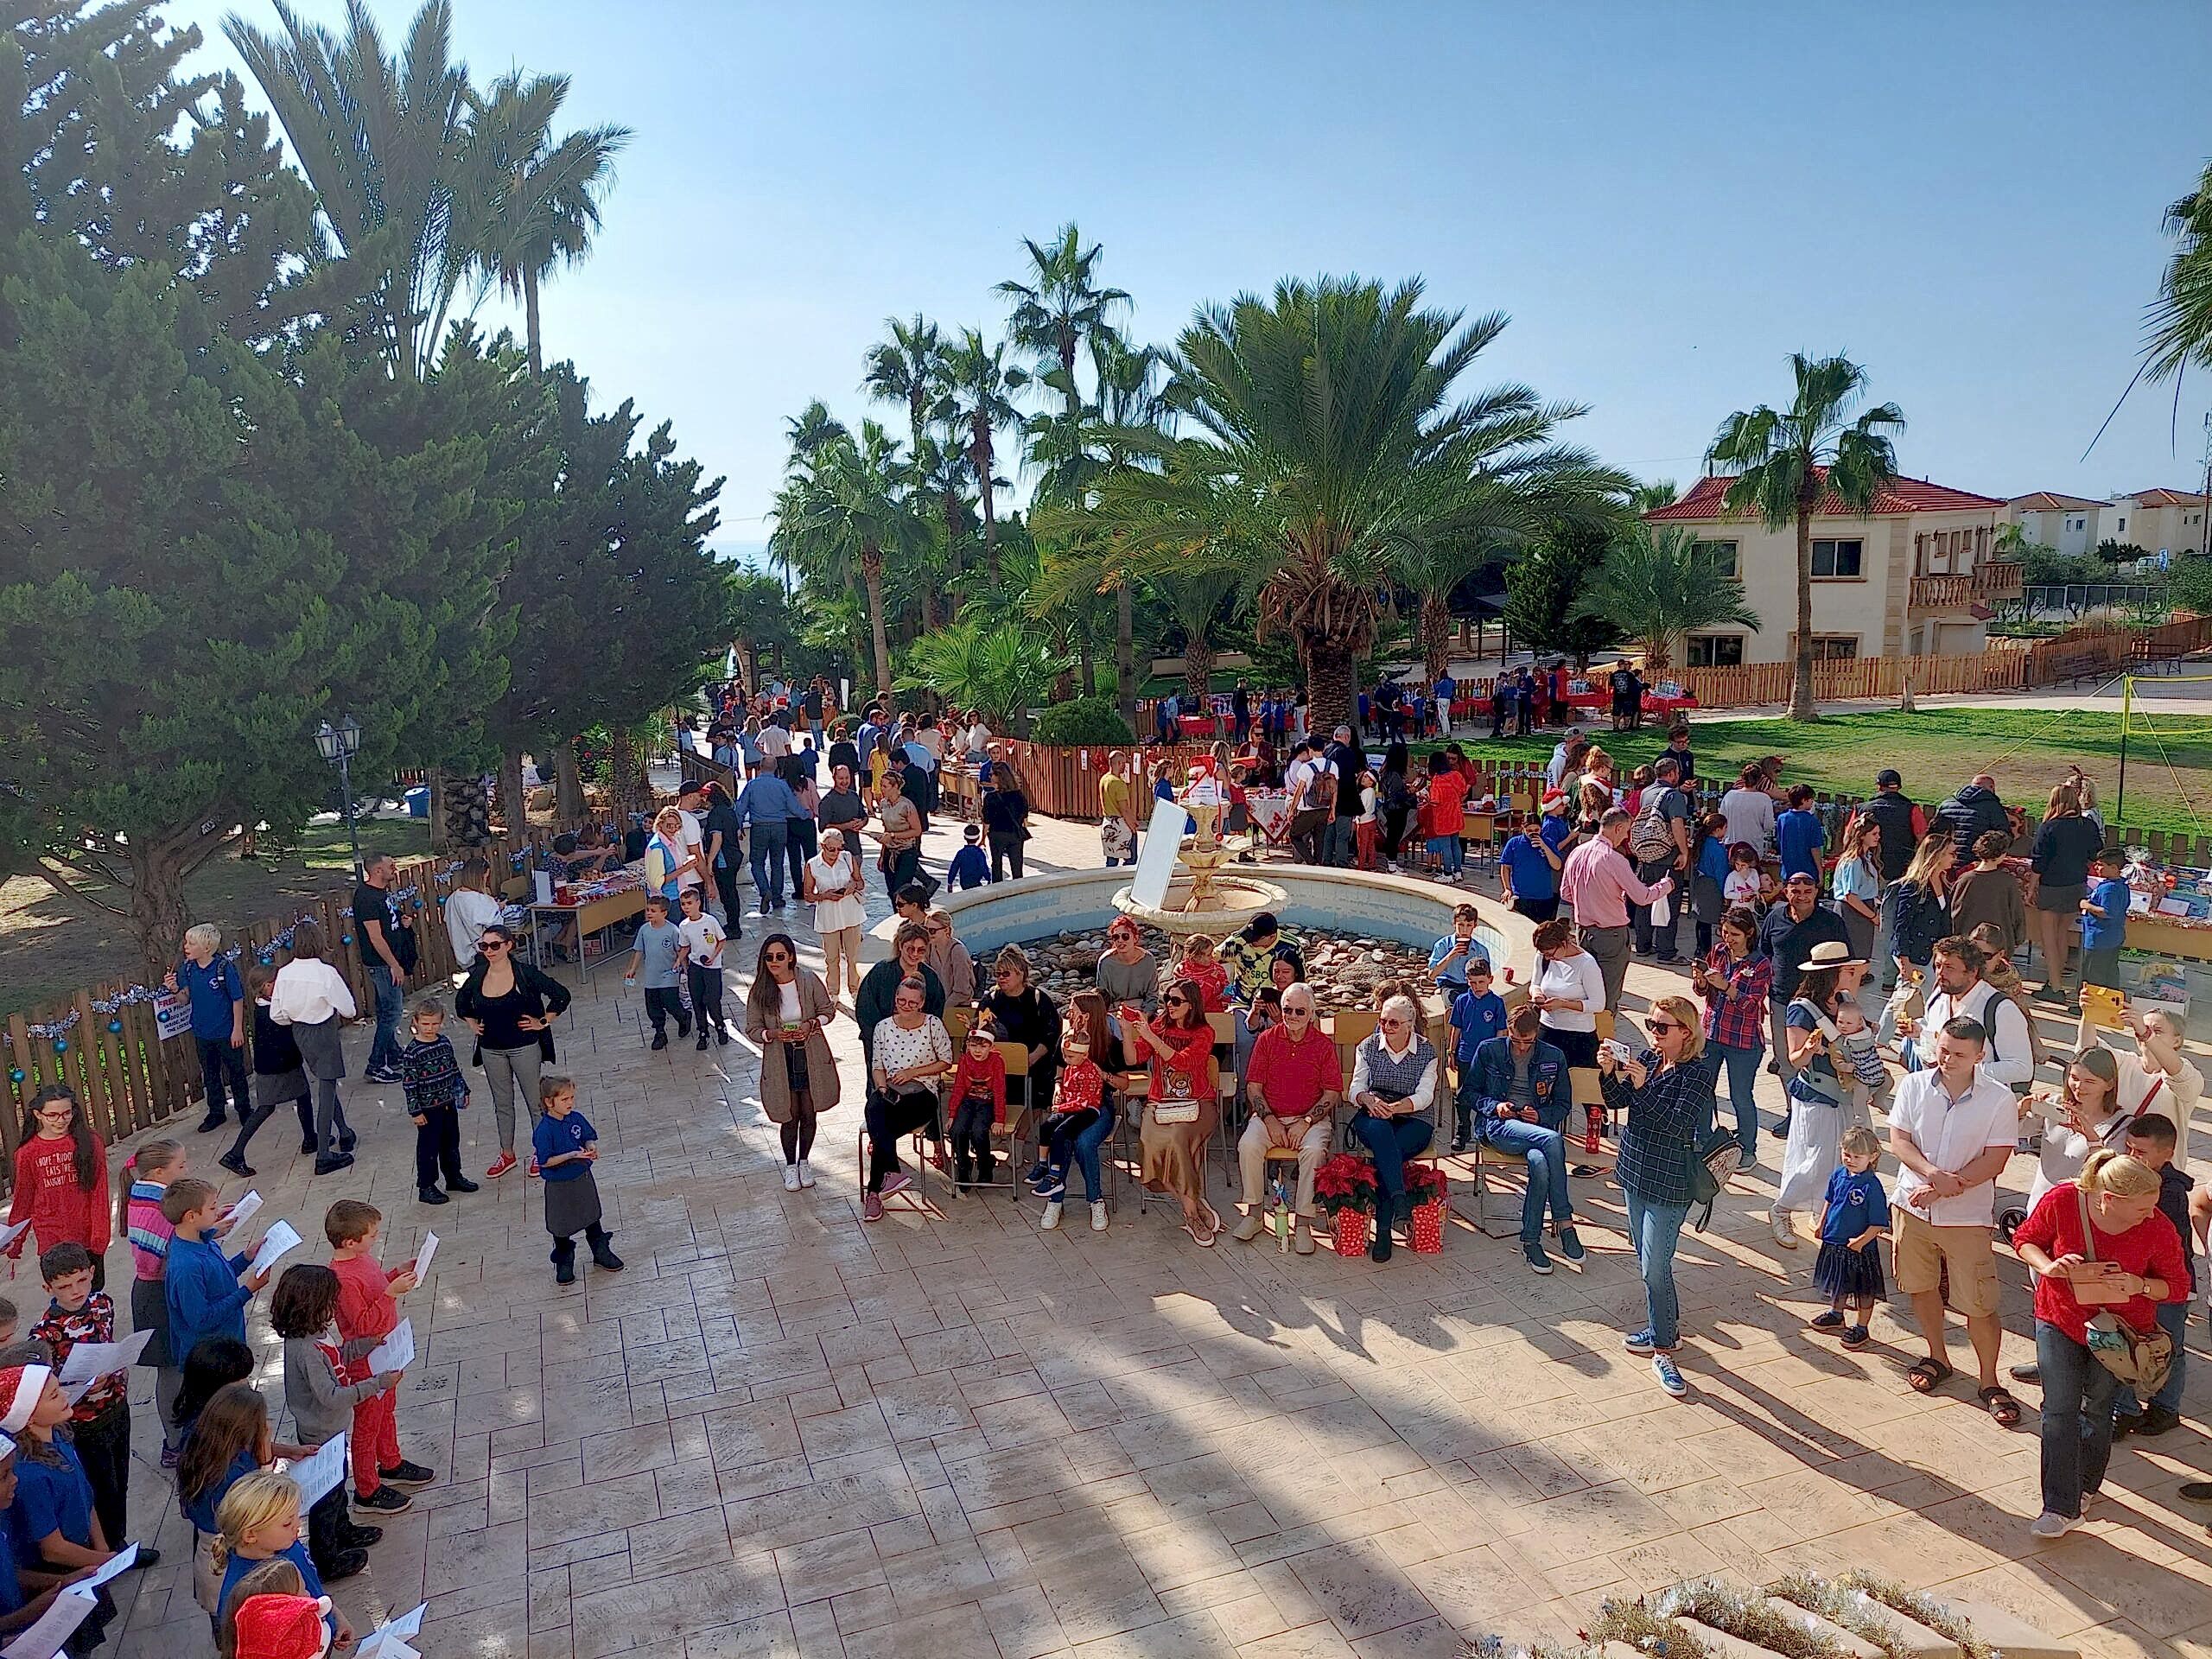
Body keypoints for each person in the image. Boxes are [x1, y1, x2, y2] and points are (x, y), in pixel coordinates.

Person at [2012, 1149, 2187, 1538]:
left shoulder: (2158, 1227)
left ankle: (2085, 1488)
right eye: (2142, 1208)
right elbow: (2026, 1239)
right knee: (2058, 1410)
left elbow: (2178, 1286)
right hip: (2058, 1319)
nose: (2151, 1214)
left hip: (2119, 1335)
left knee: (2097, 1409)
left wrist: (2139, 1285)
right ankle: (2059, 1506)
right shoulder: (2063, 1200)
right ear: (2109, 1199)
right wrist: (2047, 1266)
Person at [1890, 1017, 2022, 1423]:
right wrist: (1933, 1176)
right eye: (1944, 1050)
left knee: (1979, 1302)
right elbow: (1899, 1141)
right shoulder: (1914, 1085)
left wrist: (1944, 1188)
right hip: (1912, 1207)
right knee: (1920, 1286)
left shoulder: (1999, 1099)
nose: (1947, 1059)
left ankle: (1989, 1381)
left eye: (1959, 1054)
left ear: (1980, 1056)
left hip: (1966, 1217)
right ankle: (1937, 1357)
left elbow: (1995, 1160)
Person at [1599, 995, 1720, 1397]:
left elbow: (1675, 1123)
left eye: (1662, 1026)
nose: (1653, 1032)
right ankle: (1663, 1329)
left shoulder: (1698, 1073)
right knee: (1646, 1259)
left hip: (1669, 1181)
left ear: (1686, 1032)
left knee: (1655, 1267)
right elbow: (1617, 1102)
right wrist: (1609, 1073)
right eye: (1651, 1024)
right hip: (1635, 1171)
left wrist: (1641, 1087)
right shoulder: (1651, 1060)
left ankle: (1664, 1347)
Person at [270, 1268, 393, 1582]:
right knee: (326, 1498)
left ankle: (343, 1530)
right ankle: (326, 1558)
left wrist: (366, 1344)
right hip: (320, 1433)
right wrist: (376, 1384)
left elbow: (337, 1357)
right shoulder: (307, 1350)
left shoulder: (313, 1336)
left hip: (331, 1430)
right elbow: (331, 1396)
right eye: (330, 1303)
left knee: (337, 1487)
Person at [323, 1198, 433, 1513]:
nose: (376, 1239)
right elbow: (362, 1325)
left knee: (386, 1411)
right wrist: (391, 1294)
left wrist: (396, 1273)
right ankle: (367, 1490)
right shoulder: (343, 1279)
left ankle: (391, 1462)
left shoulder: (362, 1259)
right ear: (350, 1241)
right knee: (368, 1425)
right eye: (371, 1235)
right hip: (366, 1362)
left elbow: (374, 1286)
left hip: (386, 1351)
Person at [30, 1244, 137, 1559]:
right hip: (82, 1423)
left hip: (116, 1406)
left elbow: (107, 1341)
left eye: (81, 1281)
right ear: (48, 1288)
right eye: (64, 1286)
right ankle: (104, 1551)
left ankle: (119, 1542)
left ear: (92, 1273)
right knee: (100, 1487)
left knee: (120, 1481)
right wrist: (83, 1383)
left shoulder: (103, 1304)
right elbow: (47, 1383)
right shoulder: (44, 1334)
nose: (76, 1291)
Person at [1230, 983, 1342, 1255]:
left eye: (1299, 1011)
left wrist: (1306, 1122)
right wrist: (1270, 1120)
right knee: (1248, 1145)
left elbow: (1332, 1093)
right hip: (1270, 1115)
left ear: (1311, 1013)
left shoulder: (1323, 1045)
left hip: (1310, 1120)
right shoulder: (1267, 1039)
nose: (1292, 1016)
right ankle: (1254, 1213)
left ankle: (1303, 1223)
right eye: (1287, 1010)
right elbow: (1253, 1087)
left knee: (1314, 1151)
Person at [1467, 1006, 1580, 1274]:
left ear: (1537, 1033)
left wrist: (1540, 1115)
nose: (1520, 1047)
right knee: (1553, 1140)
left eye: (1527, 1042)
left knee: (1540, 1164)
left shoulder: (1553, 1056)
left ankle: (1531, 1242)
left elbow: (1563, 1104)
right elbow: (1468, 1093)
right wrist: (1496, 1106)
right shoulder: (1489, 1050)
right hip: (1499, 1125)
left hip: (1535, 1128)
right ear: (1508, 1030)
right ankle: (1565, 1222)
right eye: (1515, 1040)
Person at [455, 922, 572, 1178]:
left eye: (495, 945)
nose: (489, 951)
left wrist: (543, 1022)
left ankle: (542, 1152)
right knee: (502, 1104)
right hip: (491, 1049)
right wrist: (472, 1023)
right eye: (484, 946)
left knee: (535, 1103)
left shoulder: (525, 973)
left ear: (508, 945)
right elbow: (461, 1002)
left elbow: (561, 995)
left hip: (524, 1047)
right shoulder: (479, 974)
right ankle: (507, 1154)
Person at [1772, 953, 1868, 1249]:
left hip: (1845, 1094)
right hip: (1816, 1095)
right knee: (1814, 1161)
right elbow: (1795, 1059)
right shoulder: (1801, 1010)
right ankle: (1781, 1210)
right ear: (1830, 973)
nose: (1854, 974)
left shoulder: (1844, 1000)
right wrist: (1810, 1050)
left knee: (1837, 1159)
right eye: (1848, 970)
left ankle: (1821, 1212)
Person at [1128, 981, 1224, 1247]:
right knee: (1149, 1145)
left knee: (1179, 1140)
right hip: (1161, 1103)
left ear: (1191, 1005)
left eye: (1177, 1001)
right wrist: (1127, 1030)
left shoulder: (1205, 1032)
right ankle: (1192, 1201)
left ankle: (1191, 1215)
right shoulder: (1159, 1025)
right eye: (1167, 999)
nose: (1170, 1005)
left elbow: (1184, 1062)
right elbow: (1133, 1058)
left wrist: (1152, 1038)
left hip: (1198, 1103)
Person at [1346, 995, 1439, 1266]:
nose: (1386, 1027)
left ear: (1410, 1024)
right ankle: (1399, 1199)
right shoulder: (1368, 1046)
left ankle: (1384, 1230)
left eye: (1394, 1022)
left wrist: (1396, 1108)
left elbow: (1425, 1095)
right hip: (1374, 1114)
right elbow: (1355, 1088)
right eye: (1383, 1021)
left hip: (1413, 1117)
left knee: (1387, 1154)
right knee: (1383, 1136)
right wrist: (1368, 1100)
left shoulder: (1427, 1051)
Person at [745, 934, 841, 1192]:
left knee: (809, 1112)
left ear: (790, 957)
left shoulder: (808, 980)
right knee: (789, 1114)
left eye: (779, 956)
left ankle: (804, 1162)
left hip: (809, 1054)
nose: (774, 962)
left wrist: (811, 1024)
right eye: (769, 957)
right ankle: (790, 1166)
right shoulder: (760, 990)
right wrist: (773, 1034)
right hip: (780, 1058)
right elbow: (752, 1029)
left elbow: (827, 1011)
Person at [211, 1474, 349, 1652]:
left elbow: (313, 1587)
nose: (298, 1525)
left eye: (296, 1516)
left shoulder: (286, 1543)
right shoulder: (246, 1594)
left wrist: (335, 1615)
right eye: (287, 1523)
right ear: (250, 1535)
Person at [163, 1180, 272, 1406]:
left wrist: (246, 1258)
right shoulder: (186, 1266)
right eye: (212, 1207)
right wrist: (247, 1290)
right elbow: (200, 1319)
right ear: (191, 1216)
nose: (218, 1212)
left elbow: (218, 1279)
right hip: (213, 1362)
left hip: (227, 1348)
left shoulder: (203, 1240)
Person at [2116, 1113, 2191, 1437]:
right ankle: (2125, 1409)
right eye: (2129, 1148)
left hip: (2168, 1285)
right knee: (2122, 1345)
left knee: (2167, 1347)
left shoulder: (2170, 1193)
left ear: (2167, 1153)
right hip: (2132, 1281)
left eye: (2141, 1152)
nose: (2133, 1157)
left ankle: (2166, 1408)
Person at [1559, 808, 1673, 1014]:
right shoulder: (1614, 859)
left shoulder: (1577, 852)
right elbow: (1642, 897)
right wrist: (1666, 885)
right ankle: (1604, 1032)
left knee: (1586, 990)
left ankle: (1588, 1030)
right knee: (1607, 996)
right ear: (1619, 828)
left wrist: (1589, 900)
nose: (1627, 837)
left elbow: (1566, 893)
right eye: (1627, 831)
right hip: (1611, 935)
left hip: (1583, 931)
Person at [268, 923, 359, 1175]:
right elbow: (349, 1009)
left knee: (326, 1081)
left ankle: (345, 1132)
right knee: (326, 1089)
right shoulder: (326, 973)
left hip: (299, 1031)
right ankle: (323, 1155)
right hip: (323, 1030)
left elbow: (277, 1014)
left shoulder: (284, 973)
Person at [862, 978, 953, 1222]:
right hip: (891, 1089)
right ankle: (890, 1174)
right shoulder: (883, 1027)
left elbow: (946, 1061)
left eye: (912, 1003)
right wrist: (882, 1087)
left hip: (922, 1091)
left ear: (921, 1003)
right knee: (874, 1108)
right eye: (901, 1000)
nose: (905, 1006)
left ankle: (874, 1192)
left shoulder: (933, 1025)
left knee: (882, 1130)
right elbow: (877, 1065)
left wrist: (913, 1072)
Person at [120, 1137, 188, 1464]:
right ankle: (175, 1444)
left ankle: (178, 1439)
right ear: (159, 1171)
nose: (185, 1171)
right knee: (171, 1372)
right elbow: (172, 1248)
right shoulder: (160, 1205)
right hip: (158, 1295)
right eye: (181, 1166)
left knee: (173, 1369)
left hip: (150, 1291)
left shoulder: (142, 1193)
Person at [1755, 872, 1850, 1090]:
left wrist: (1846, 1000)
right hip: (1782, 1000)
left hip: (1822, 1002)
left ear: (1816, 892)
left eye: (1808, 891)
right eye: (1796, 891)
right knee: (1786, 1059)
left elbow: (1848, 962)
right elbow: (1764, 954)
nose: (1802, 896)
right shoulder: (1774, 918)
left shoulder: (1831, 922)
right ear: (1786, 892)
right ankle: (1792, 1107)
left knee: (1828, 1058)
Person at [6, 1088, 109, 1286]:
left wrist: (100, 1236)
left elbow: (99, 1192)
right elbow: (23, 1199)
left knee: (93, 1291)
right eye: (52, 1115)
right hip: (51, 1240)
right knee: (63, 1292)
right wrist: (15, 1241)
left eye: (66, 1113)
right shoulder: (27, 1152)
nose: (60, 1120)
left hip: (86, 1238)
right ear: (38, 1114)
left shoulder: (91, 1142)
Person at [1694, 907, 1773, 1163]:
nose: (1728, 939)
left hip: (1743, 1040)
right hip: (1711, 1034)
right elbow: (1702, 993)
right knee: (1702, 1089)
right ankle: (1702, 1139)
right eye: (1725, 932)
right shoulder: (1718, 952)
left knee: (1740, 1096)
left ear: (1749, 933)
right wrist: (1701, 981)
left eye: (1735, 934)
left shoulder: (1760, 963)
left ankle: (1747, 1149)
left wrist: (1726, 987)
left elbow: (1752, 1005)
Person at [1905, 935, 2033, 1092]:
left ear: (1972, 972)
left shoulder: (2001, 1009)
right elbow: (1932, 1030)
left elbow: (2022, 1069)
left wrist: (1967, 1071)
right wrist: (1918, 1031)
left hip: (1982, 1100)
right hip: (1937, 1094)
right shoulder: (1939, 995)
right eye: (1938, 966)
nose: (1940, 973)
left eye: (1949, 967)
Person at [534, 1072, 622, 1283]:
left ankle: (600, 1251)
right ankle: (564, 1261)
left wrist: (591, 1147)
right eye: (564, 1099)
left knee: (591, 1215)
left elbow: (587, 1137)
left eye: (572, 1098)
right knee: (560, 1224)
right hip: (558, 1184)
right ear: (549, 1102)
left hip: (582, 1177)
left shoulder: (576, 1118)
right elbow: (545, 1161)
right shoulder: (544, 1130)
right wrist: (572, 1155)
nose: (570, 1103)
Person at [1810, 1125, 1891, 1349]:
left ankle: (1862, 1327)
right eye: (1847, 1154)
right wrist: (1821, 1223)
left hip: (1860, 1249)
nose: (1851, 1160)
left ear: (1872, 1157)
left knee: (1864, 1290)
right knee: (1838, 1283)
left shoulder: (1872, 1186)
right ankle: (1836, 1314)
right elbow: (1829, 1200)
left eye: (1857, 1156)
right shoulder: (1838, 1174)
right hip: (1834, 1241)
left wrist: (1860, 1242)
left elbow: (1879, 1223)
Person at [987, 947, 1063, 1184]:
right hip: (999, 1063)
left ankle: (1019, 1139)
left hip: (1035, 1061)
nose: (1001, 978)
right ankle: (998, 1132)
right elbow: (980, 1031)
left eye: (1006, 973)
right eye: (998, 973)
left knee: (1039, 1093)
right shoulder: (991, 1000)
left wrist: (1031, 1057)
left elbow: (1051, 1034)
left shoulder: (1039, 999)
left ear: (1020, 973)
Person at [169, 925, 249, 1134]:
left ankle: (244, 1109)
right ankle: (216, 1112)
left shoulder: (223, 968)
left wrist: (237, 1029)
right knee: (210, 1074)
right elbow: (184, 999)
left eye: (191, 943)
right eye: (186, 942)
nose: (186, 947)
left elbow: (237, 999)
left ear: (206, 947)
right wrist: (175, 990)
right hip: (202, 1032)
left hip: (226, 1032)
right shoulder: (188, 969)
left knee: (236, 1072)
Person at [397, 998, 477, 1205]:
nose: (430, 1028)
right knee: (428, 1148)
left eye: (434, 1024)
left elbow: (453, 1068)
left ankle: (454, 1177)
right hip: (428, 1110)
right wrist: (415, 1111)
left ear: (441, 1022)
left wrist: (463, 1090)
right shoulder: (413, 1052)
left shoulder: (444, 1043)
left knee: (451, 1143)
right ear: (416, 1022)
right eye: (425, 1024)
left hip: (448, 1104)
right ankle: (426, 1186)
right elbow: (409, 1084)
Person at [2030, 782, 2104, 1001]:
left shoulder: (2049, 826)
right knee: (2062, 934)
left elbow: (2039, 863)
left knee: (2049, 938)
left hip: (2052, 886)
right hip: (2078, 885)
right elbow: (2096, 853)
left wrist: (2031, 887)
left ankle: (2055, 987)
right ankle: (2055, 981)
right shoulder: (2087, 825)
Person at [243, 963, 317, 1170]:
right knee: (265, 1109)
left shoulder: (265, 1006)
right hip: (276, 1068)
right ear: (267, 986)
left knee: (303, 1096)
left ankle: (310, 1138)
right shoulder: (269, 1011)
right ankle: (235, 1153)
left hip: (283, 1064)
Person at [349, 854, 411, 1085]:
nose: (395, 868)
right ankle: (375, 1065)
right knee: (392, 1013)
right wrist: (394, 964)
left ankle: (394, 1055)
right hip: (382, 964)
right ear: (377, 870)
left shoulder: (381, 893)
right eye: (390, 866)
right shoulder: (366, 897)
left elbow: (386, 921)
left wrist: (401, 921)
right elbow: (375, 937)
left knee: (387, 1011)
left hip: (389, 962)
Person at [1626, 754, 1694, 962]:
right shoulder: (1673, 796)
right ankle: (1666, 951)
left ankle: (1643, 945)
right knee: (1669, 904)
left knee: (1645, 900)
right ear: (1672, 773)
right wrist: (1684, 851)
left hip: (1647, 856)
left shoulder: (1647, 792)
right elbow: (1676, 824)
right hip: (1667, 857)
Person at [855, 923, 945, 1071]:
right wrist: (881, 1040)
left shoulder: (931, 978)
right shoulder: (880, 972)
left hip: (918, 1047)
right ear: (900, 946)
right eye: (910, 948)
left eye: (921, 950)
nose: (915, 954)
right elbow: (865, 1011)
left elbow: (935, 1014)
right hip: (881, 1044)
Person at [1446, 959, 1509, 1152]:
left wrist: (1498, 1056)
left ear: (1490, 980)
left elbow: (1501, 1031)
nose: (1477, 986)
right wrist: (1451, 1052)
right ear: (1467, 981)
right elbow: (1456, 1029)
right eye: (1472, 982)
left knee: (1489, 1095)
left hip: (1488, 1059)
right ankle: (1463, 1130)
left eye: (1481, 982)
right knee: (1462, 1095)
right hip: (1466, 1056)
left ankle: (1485, 1130)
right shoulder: (1462, 1001)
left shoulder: (1497, 1003)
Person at [1528, 916, 1605, 1071]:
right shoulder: (1543, 957)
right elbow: (1535, 984)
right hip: (1547, 1029)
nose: (1549, 958)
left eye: (1551, 954)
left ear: (1564, 944)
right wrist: (1537, 995)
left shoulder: (1587, 964)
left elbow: (1598, 1005)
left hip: (1578, 1036)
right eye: (1545, 954)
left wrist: (1563, 1004)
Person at [803, 828, 868, 998]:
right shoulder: (812, 865)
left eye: (839, 848)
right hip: (828, 916)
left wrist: (853, 885)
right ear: (823, 846)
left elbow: (861, 883)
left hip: (851, 913)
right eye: (832, 849)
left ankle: (855, 990)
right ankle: (833, 993)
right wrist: (824, 896)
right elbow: (807, 895)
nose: (836, 853)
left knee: (853, 956)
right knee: (831, 958)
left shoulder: (847, 858)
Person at [1887, 832, 1957, 990]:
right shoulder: (1914, 886)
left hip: (1932, 954)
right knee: (1912, 994)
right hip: (1914, 953)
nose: (1955, 858)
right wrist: (1905, 961)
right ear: (1937, 855)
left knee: (1919, 994)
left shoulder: (1944, 884)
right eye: (1951, 853)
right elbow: (1902, 925)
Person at [945, 1022, 1008, 1194]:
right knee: (957, 1129)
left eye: (983, 1046)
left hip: (988, 1102)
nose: (977, 1050)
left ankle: (985, 1164)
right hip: (968, 1101)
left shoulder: (997, 1061)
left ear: (991, 1046)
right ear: (967, 1045)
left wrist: (999, 1119)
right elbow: (959, 1087)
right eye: (973, 1045)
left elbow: (1000, 1091)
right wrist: (952, 1114)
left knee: (978, 1130)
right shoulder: (965, 1060)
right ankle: (963, 1165)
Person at [1946, 830, 2024, 962]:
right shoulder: (2008, 882)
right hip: (1999, 947)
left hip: (1967, 947)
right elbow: (2017, 914)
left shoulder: (1965, 880)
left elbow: (1954, 913)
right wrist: (2018, 938)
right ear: (2002, 854)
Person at [625, 893, 690, 1049]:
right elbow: (639, 950)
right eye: (648, 910)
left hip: (669, 975)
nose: (649, 913)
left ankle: (683, 1017)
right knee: (653, 1006)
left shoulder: (673, 931)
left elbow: (680, 951)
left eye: (653, 911)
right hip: (651, 977)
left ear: (664, 913)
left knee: (670, 1002)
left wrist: (684, 968)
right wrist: (632, 969)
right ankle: (660, 1032)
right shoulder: (644, 930)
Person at [1829, 816, 1889, 969]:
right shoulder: (1853, 861)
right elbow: (1850, 896)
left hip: (1863, 909)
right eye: (1874, 834)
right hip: (1853, 912)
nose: (1878, 837)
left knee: (1862, 954)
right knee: (1853, 955)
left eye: (1879, 833)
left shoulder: (1866, 858)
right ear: (1862, 835)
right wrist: (1873, 917)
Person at [2077, 847, 2133, 1007]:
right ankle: (2110, 1005)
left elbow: (2107, 912)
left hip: (2099, 939)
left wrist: (2087, 905)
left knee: (2093, 975)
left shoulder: (2110, 889)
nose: (2097, 868)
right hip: (2113, 938)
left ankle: (2091, 1006)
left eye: (2101, 865)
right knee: (2109, 973)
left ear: (2114, 868)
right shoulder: (2120, 886)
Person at [677, 887, 729, 1051]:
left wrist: (713, 957)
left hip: (712, 967)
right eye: (683, 904)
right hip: (695, 967)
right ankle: (703, 1032)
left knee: (712, 1000)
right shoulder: (684, 926)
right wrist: (681, 963)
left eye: (689, 903)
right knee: (697, 1001)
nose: (686, 907)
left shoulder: (710, 921)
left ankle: (720, 1026)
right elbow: (685, 947)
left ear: (698, 903)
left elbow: (721, 940)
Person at [869, 771, 926, 897]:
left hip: (906, 851)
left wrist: (894, 835)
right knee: (891, 891)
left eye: (885, 786)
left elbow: (917, 830)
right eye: (881, 785)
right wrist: (882, 855)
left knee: (901, 890)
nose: (882, 789)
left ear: (895, 787)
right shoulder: (883, 804)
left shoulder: (907, 805)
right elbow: (886, 830)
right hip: (889, 851)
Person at [1498, 810, 1560, 923]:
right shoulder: (1514, 843)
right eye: (1529, 831)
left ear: (1541, 828)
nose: (1533, 833)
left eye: (1536, 830)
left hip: (1544, 896)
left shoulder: (1548, 842)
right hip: (1521, 896)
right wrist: (1507, 888)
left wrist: (1544, 847)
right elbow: (1505, 867)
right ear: (1523, 829)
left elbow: (1557, 866)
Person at [1934, 772, 2011, 865]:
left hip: (1946, 858)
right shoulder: (1992, 806)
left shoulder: (1946, 804)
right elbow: (2003, 836)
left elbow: (1935, 832)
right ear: (1991, 787)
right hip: (1976, 861)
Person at [442, 860, 504, 971]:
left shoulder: (451, 899)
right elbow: (498, 928)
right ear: (481, 877)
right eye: (486, 877)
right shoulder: (483, 901)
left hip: (464, 957)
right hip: (485, 955)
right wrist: (497, 908)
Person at [1427, 903, 1490, 1000]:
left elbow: (1486, 978)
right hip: (1450, 984)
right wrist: (1451, 955)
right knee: (1453, 1002)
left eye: (1469, 925)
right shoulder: (1442, 945)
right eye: (1460, 925)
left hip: (1472, 985)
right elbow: (1432, 975)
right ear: (1454, 924)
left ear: (1474, 925)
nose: (1464, 930)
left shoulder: (1480, 950)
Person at [983, 760, 1032, 880]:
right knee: (1017, 866)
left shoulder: (991, 797)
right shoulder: (1019, 795)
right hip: (1015, 833)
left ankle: (998, 888)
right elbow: (1024, 816)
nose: (990, 777)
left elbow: (987, 821)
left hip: (997, 834)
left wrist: (983, 837)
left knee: (996, 865)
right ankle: (1018, 889)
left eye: (991, 774)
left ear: (998, 776)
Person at [1422, 752, 1469, 878]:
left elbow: (1435, 801)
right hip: (1456, 815)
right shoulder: (1456, 775)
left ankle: (1447, 873)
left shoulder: (1437, 780)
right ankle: (1458, 872)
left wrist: (1425, 797)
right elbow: (1463, 790)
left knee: (1446, 847)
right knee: (1456, 844)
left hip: (1443, 818)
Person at [1719, 764, 1777, 858]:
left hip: (1731, 845)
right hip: (1754, 847)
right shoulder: (1764, 799)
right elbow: (1768, 826)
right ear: (1759, 780)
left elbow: (1721, 819)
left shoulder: (1730, 796)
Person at [1774, 785, 1824, 883]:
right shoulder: (1812, 821)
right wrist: (1820, 870)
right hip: (1808, 870)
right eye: (1811, 799)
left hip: (1788, 870)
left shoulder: (1782, 818)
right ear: (1804, 800)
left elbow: (1779, 842)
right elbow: (1815, 848)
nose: (1812, 802)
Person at [1099, 751, 1141, 868]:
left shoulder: (1104, 779)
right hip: (1120, 825)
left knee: (1111, 861)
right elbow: (1124, 809)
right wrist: (1133, 827)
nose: (1125, 767)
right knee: (1130, 859)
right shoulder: (1119, 783)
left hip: (1107, 823)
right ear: (1119, 763)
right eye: (1124, 763)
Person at [946, 823, 991, 892]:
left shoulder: (961, 853)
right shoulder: (979, 853)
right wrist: (988, 878)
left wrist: (950, 882)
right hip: (976, 881)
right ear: (978, 838)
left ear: (965, 837)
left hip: (964, 883)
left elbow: (954, 868)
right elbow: (983, 867)